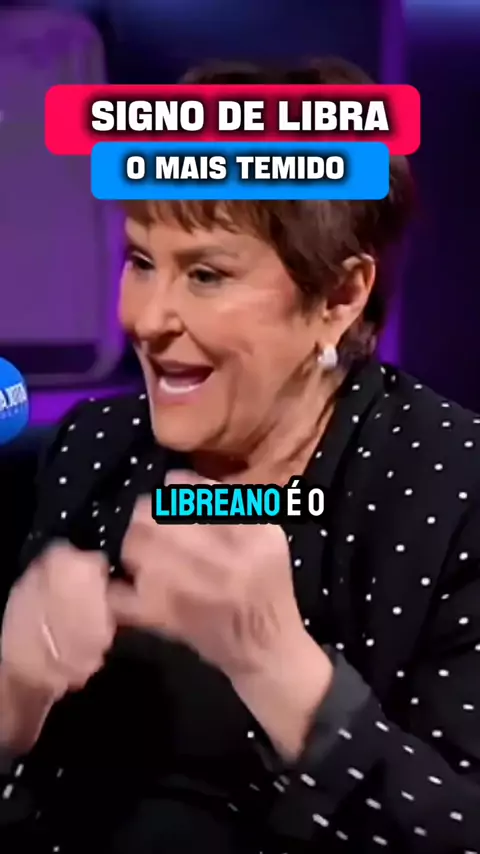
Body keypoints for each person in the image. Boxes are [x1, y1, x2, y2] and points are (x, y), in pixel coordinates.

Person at [1, 57, 480, 854]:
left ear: (340, 296)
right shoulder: (94, 447)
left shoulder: (453, 484)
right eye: (141, 262)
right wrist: (12, 701)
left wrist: (278, 668)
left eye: (206, 274)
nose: (147, 318)